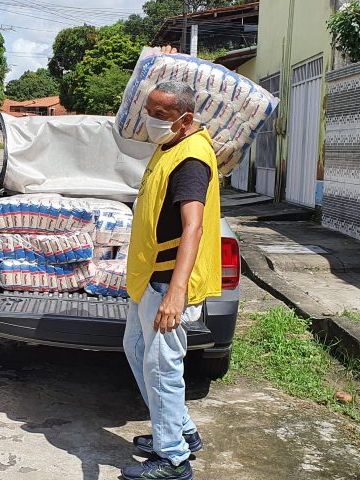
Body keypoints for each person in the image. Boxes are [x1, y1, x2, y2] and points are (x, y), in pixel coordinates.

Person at [121, 79, 222, 480]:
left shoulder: (191, 159)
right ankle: (181, 430)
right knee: (136, 348)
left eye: (160, 116)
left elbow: (193, 227)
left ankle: (173, 458)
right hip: (150, 277)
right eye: (149, 111)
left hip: (168, 281)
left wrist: (176, 293)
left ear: (185, 119)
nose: (151, 121)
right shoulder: (170, 146)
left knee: (162, 366)